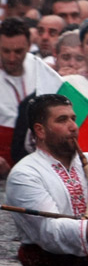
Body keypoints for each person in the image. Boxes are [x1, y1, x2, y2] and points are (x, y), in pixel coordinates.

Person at [5, 94, 88, 266]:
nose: (73, 127)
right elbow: (51, 232)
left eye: (73, 119)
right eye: (62, 120)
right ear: (40, 131)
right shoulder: (24, 174)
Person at [0, 17, 61, 170]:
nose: (12, 57)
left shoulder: (41, 69)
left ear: (29, 45)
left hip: (40, 156)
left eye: (18, 51)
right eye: (6, 51)